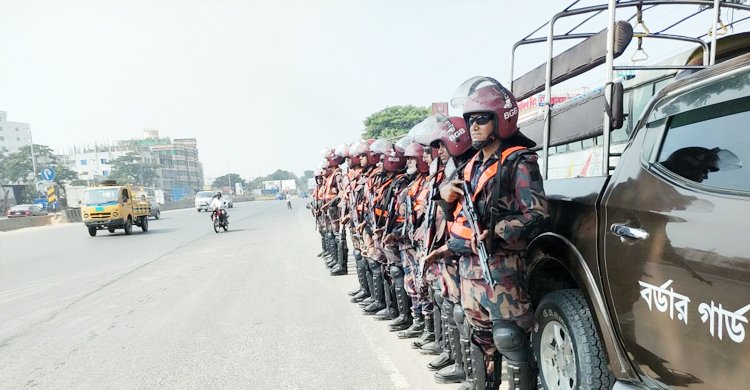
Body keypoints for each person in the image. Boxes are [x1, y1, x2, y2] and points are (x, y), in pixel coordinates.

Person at [440, 76, 549, 390]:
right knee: (479, 336)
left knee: (509, 337)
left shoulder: (518, 161)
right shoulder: (470, 165)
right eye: (471, 120)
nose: (474, 127)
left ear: (500, 121)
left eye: (481, 120)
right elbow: (455, 215)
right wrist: (446, 199)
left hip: (502, 267)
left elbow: (537, 214)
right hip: (469, 268)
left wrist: (495, 232)